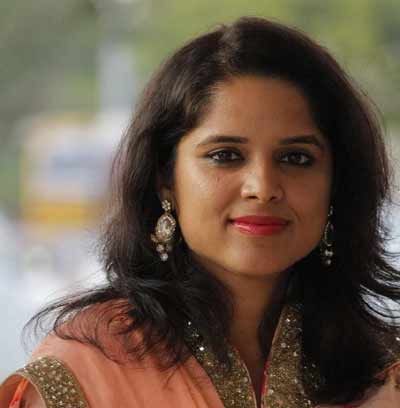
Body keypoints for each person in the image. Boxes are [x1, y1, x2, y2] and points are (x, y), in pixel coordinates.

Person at [1, 16, 400, 408]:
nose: (262, 187)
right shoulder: (86, 375)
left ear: (336, 182)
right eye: (225, 155)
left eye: (295, 158)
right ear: (165, 178)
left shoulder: (383, 374)